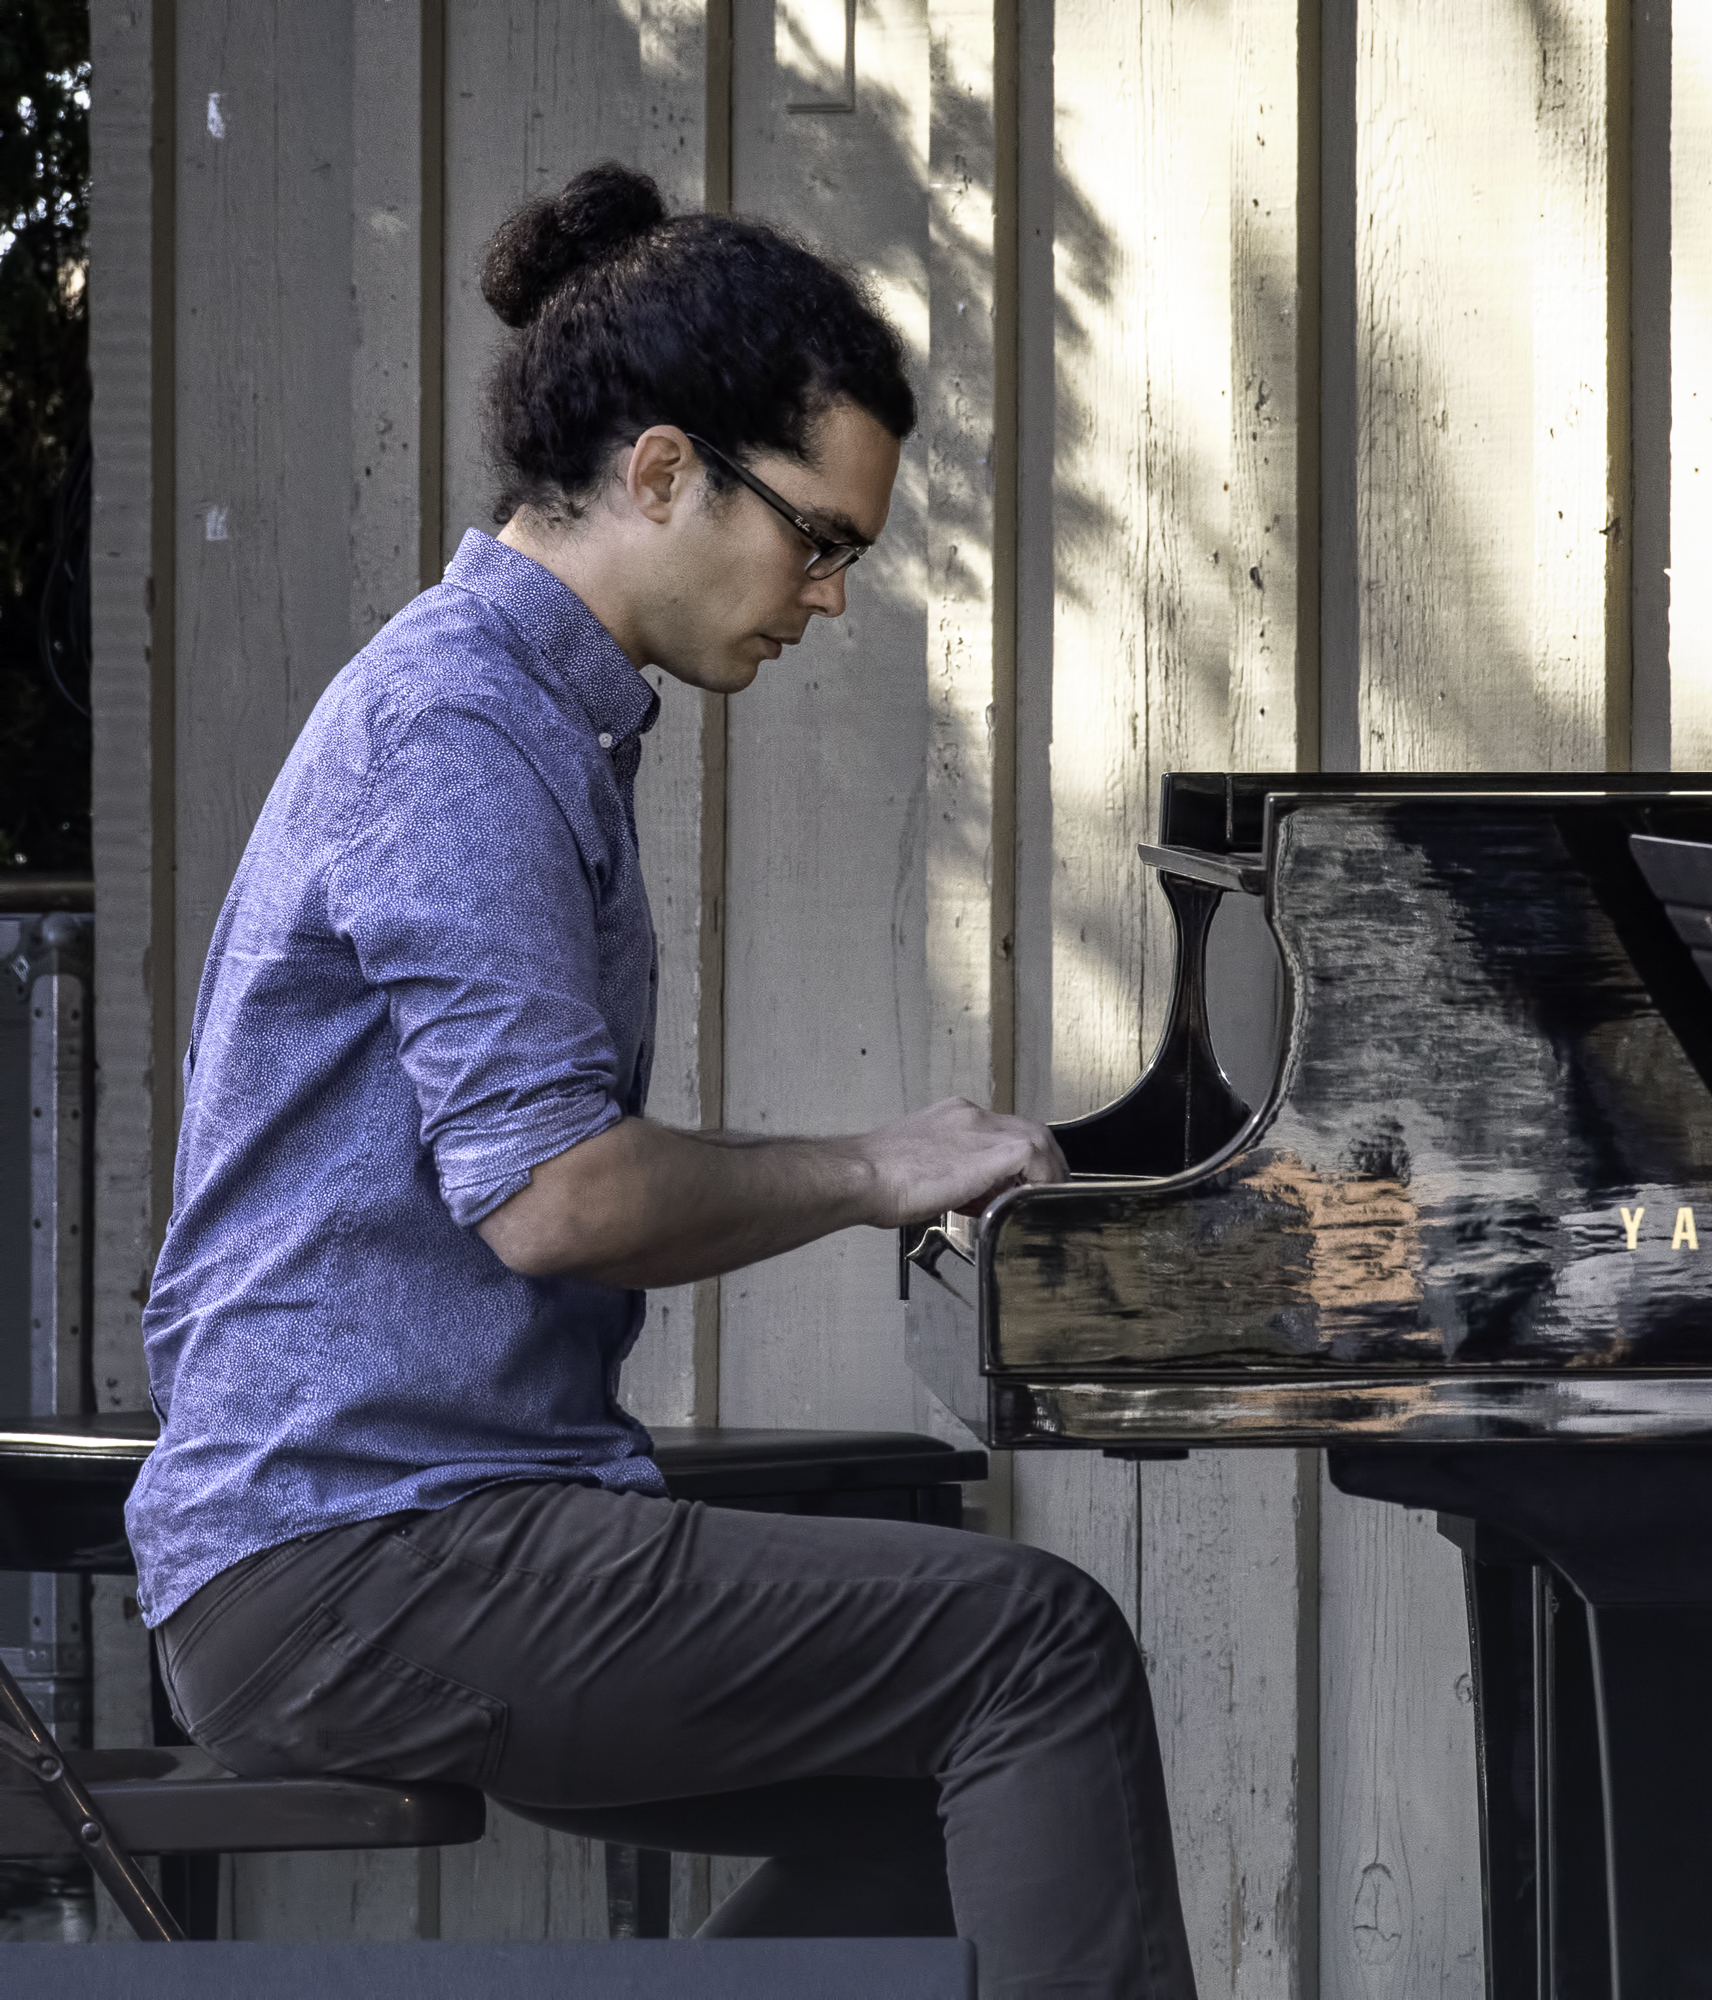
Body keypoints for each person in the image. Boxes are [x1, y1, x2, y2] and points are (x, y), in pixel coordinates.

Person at [125, 161, 1198, 1999]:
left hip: (421, 1520)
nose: (835, 595)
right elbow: (559, 1202)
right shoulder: (457, 726)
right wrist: (883, 1165)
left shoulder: (523, 709)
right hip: (357, 1554)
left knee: (936, 1780)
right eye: (821, 537)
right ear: (658, 472)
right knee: (1037, 1645)